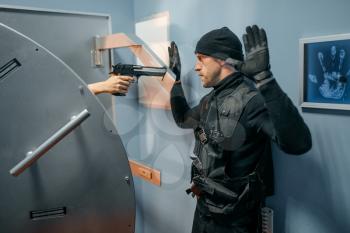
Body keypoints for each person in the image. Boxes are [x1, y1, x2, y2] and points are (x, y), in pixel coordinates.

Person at [168, 25, 312, 233]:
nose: (197, 67)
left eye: (201, 58)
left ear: (222, 59)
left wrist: (266, 79)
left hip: (235, 222)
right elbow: (183, 119)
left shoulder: (252, 101)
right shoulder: (211, 99)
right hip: (204, 212)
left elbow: (299, 143)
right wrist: (176, 79)